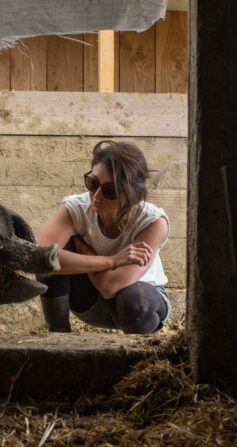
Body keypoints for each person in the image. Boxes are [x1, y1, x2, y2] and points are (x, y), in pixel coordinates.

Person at [36, 140, 170, 334]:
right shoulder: (75, 208)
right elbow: (39, 258)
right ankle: (58, 336)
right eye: (92, 183)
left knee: (134, 302)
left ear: (131, 193)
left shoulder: (153, 222)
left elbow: (110, 286)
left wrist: (85, 251)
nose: (96, 195)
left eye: (110, 190)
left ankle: (139, 358)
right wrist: (112, 260)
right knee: (50, 258)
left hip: (140, 305)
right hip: (88, 301)